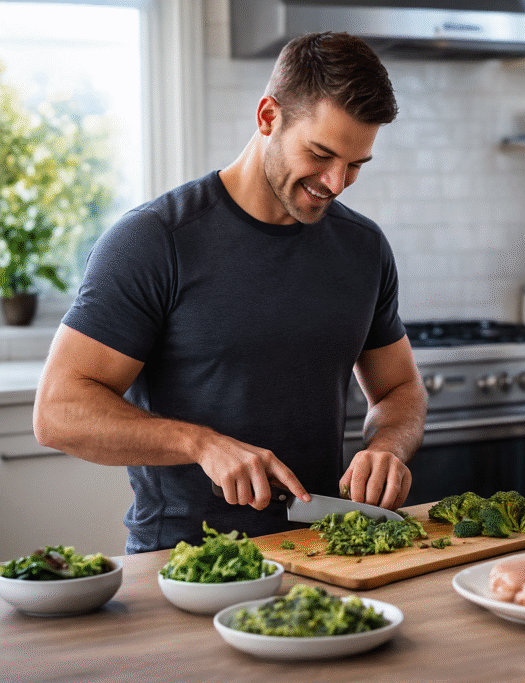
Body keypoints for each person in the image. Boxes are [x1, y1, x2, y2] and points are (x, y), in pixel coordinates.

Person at [32, 32, 427, 553]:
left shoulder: (364, 248)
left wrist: (387, 447)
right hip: (184, 562)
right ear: (268, 117)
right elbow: (58, 411)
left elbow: (401, 391)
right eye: (321, 154)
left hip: (324, 554)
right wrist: (199, 444)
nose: (336, 182)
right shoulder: (155, 240)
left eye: (355, 165)